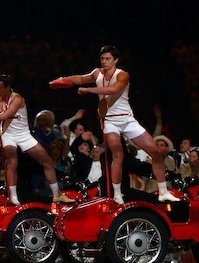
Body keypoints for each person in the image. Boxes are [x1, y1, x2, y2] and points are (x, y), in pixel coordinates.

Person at [51, 45, 178, 204]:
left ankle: (163, 192)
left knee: (156, 153)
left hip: (127, 120)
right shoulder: (97, 73)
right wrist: (63, 79)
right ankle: (117, 195)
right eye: (102, 59)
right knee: (118, 155)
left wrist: (89, 90)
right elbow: (81, 78)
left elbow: (113, 89)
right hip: (110, 121)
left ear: (116, 60)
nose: (104, 62)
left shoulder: (123, 75)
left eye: (108, 59)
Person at [0, 74, 73, 205]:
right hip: (8, 134)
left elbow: (4, 115)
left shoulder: (17, 99)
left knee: (47, 162)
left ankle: (57, 195)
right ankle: (13, 198)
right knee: (11, 164)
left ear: (8, 88)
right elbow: (4, 116)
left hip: (23, 135)